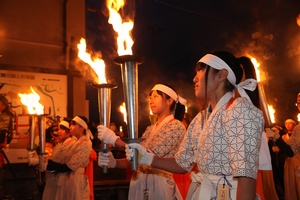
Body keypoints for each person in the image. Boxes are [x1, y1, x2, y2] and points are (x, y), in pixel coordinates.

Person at [126, 51, 265, 200]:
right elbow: (182, 163)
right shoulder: (200, 118)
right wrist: (147, 158)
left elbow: (246, 176)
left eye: (201, 70)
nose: (194, 78)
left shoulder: (240, 110)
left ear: (221, 75)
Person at [98, 83, 187, 200]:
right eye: (150, 97)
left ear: (169, 101)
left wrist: (115, 140)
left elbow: (149, 154)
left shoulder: (176, 126)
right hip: (140, 181)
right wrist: (114, 162)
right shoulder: (150, 129)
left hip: (159, 184)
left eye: (156, 96)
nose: (151, 101)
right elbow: (135, 158)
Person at [39, 116, 93, 200]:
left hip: (76, 179)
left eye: (73, 125)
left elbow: (69, 166)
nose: (70, 127)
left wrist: (47, 166)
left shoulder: (85, 144)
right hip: (68, 178)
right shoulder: (77, 143)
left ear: (81, 127)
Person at [40, 120, 75, 200]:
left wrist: (47, 165)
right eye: (58, 129)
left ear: (69, 131)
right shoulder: (60, 143)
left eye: (62, 129)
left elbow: (60, 161)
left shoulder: (71, 143)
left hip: (63, 177)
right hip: (54, 176)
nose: (59, 132)